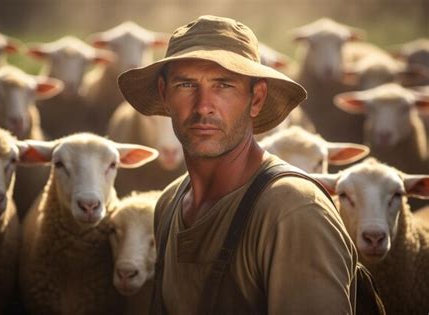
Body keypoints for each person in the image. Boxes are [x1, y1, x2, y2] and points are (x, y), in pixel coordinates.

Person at [118, 15, 358, 315]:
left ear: (256, 99)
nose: (203, 105)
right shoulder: (169, 203)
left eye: (224, 85)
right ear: (165, 95)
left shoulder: (294, 211)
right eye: (186, 84)